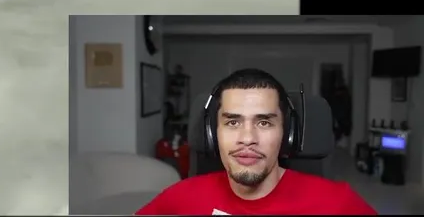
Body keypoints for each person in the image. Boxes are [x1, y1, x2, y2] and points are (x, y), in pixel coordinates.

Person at [135, 68, 377, 215]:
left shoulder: (338, 204)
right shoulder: (180, 199)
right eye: (233, 122)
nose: (248, 139)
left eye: (264, 123)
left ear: (288, 134)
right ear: (212, 134)